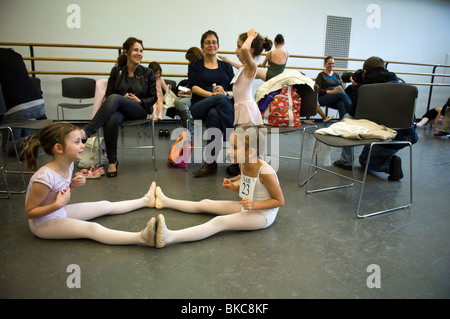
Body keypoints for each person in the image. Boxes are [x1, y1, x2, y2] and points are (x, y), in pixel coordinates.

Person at [23, 122, 158, 246]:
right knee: (91, 228)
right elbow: (29, 212)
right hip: (42, 223)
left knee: (105, 205)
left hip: (59, 211)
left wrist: (71, 184)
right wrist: (57, 204)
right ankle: (142, 238)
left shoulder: (68, 164)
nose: (82, 145)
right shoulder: (44, 178)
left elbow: (55, 190)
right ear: (59, 148)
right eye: (77, 142)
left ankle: (146, 201)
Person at [149, 125, 284, 248]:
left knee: (219, 222)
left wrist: (253, 206)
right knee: (204, 203)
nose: (229, 151)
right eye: (230, 146)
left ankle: (169, 237)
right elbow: (250, 185)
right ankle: (165, 201)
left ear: (251, 152)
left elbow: (279, 201)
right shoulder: (243, 163)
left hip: (263, 214)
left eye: (235, 148)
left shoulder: (266, 171)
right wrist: (234, 186)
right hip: (248, 205)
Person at [81, 37, 157, 177]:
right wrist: (123, 100)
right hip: (119, 110)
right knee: (112, 119)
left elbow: (154, 97)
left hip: (139, 109)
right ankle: (112, 161)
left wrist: (138, 100)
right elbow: (109, 95)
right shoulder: (116, 71)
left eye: (141, 50)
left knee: (115, 98)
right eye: (135, 50)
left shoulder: (148, 73)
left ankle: (87, 131)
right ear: (126, 52)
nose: (139, 53)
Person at [333, 56, 418, 181]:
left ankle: (348, 161)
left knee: (348, 118)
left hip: (384, 135)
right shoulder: (400, 82)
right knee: (367, 157)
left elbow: (353, 112)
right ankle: (387, 159)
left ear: (365, 72)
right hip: (406, 135)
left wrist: (357, 87)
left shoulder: (369, 87)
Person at [188, 30, 235, 178]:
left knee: (214, 114)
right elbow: (193, 87)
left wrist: (225, 92)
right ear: (202, 46)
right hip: (199, 105)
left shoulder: (226, 66)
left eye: (214, 42)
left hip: (219, 107)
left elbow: (234, 90)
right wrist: (213, 95)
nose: (211, 45)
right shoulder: (195, 65)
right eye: (207, 42)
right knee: (219, 100)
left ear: (218, 46)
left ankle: (210, 162)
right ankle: (233, 140)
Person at [0, 48, 46, 148]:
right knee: (22, 128)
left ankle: (31, 141)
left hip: (18, 109)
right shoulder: (16, 56)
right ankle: (27, 140)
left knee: (6, 147)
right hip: (39, 103)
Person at [232, 28, 269, 127]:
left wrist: (251, 37)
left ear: (250, 50)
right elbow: (239, 91)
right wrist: (226, 93)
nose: (236, 51)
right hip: (242, 109)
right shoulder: (243, 68)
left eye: (238, 47)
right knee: (243, 141)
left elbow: (244, 49)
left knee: (242, 141)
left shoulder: (252, 67)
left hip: (247, 111)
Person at [173, 47, 204, 128]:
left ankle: (189, 131)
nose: (189, 62)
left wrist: (187, 90)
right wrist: (184, 90)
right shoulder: (193, 67)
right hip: (192, 92)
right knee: (176, 100)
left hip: (201, 96)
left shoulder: (203, 68)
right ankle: (185, 127)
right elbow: (190, 84)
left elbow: (199, 87)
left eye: (190, 60)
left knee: (181, 102)